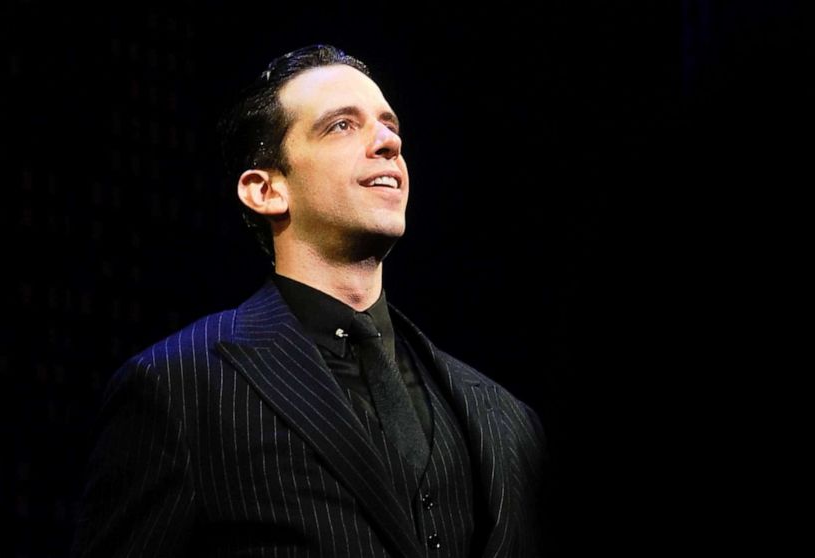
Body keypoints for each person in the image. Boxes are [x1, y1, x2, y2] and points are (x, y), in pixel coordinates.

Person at [72, 44, 547, 558]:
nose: (388, 142)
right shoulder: (180, 388)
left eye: (390, 126)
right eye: (342, 125)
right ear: (265, 190)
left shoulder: (507, 419)